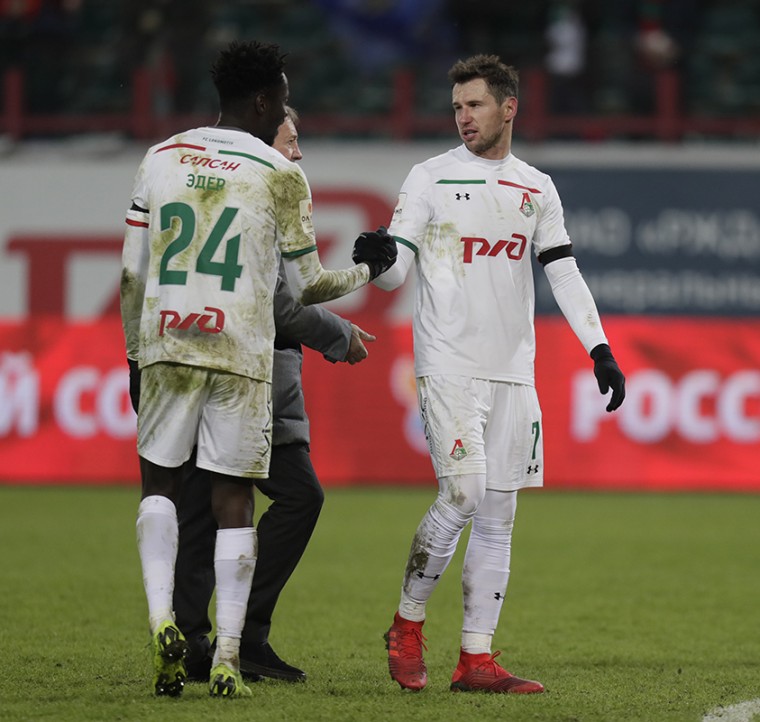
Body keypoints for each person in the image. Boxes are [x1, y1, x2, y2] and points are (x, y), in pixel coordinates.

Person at [120, 40, 396, 699]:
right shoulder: (276, 173)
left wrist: (135, 353)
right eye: (285, 100)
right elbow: (307, 287)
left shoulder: (161, 156)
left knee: (164, 490)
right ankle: (227, 656)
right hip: (239, 356)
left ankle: (166, 624)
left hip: (167, 342)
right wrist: (369, 268)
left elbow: (132, 272)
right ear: (266, 100)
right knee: (233, 499)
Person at [371, 54, 625, 694]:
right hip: (448, 363)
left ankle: (476, 660)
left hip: (514, 370)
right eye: (457, 106)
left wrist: (599, 347)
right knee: (463, 493)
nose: (463, 117)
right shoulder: (430, 177)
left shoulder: (535, 187)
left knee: (498, 514)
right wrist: (378, 259)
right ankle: (407, 624)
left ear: (509, 108)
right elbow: (397, 270)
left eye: (475, 104)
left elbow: (562, 270)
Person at [171, 107, 376, 684]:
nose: (298, 152)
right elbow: (283, 303)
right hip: (250, 383)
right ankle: (245, 635)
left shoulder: (206, 188)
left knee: (197, 507)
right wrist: (341, 333)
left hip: (195, 361)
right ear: (264, 141)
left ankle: (194, 639)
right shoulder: (269, 193)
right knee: (298, 496)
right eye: (291, 139)